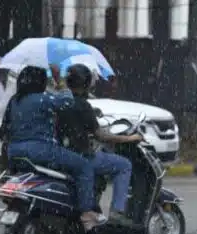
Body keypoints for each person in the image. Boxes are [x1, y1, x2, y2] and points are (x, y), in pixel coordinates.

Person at [4, 65, 102, 231]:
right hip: (40, 150)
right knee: (84, 166)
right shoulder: (40, 98)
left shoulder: (15, 100)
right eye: (44, 80)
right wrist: (60, 80)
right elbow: (67, 102)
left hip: (14, 151)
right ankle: (86, 212)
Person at [57, 64, 142, 225]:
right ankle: (117, 211)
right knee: (124, 165)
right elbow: (101, 135)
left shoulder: (61, 102)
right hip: (82, 155)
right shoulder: (82, 105)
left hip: (64, 153)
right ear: (86, 82)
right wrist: (130, 139)